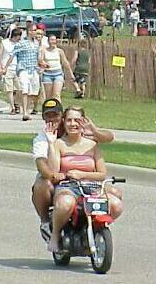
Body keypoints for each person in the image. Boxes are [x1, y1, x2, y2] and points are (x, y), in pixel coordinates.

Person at [31, 99, 115, 243]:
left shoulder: (80, 130)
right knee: (42, 184)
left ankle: (96, 227)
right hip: (60, 179)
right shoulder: (43, 138)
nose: (52, 119)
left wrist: (94, 131)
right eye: (48, 116)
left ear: (61, 116)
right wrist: (53, 176)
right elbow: (42, 164)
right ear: (44, 118)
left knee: (114, 194)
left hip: (86, 182)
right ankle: (47, 224)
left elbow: (109, 138)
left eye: (55, 115)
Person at [46, 106, 124, 252]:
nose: (73, 124)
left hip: (91, 185)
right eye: (69, 120)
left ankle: (96, 229)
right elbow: (54, 170)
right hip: (68, 186)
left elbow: (102, 174)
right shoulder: (59, 144)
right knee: (65, 203)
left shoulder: (92, 144)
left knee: (116, 204)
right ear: (64, 122)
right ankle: (55, 236)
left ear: (83, 122)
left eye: (77, 120)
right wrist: (51, 144)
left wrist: (82, 175)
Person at [3, 24, 40, 121]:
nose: (35, 32)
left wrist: (41, 65)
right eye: (33, 30)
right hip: (23, 69)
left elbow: (37, 57)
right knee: (25, 89)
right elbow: (12, 55)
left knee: (33, 91)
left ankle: (27, 110)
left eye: (35, 30)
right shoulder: (21, 43)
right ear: (29, 32)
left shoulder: (36, 43)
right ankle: (24, 113)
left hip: (34, 69)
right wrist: (5, 67)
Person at [38, 35, 75, 101]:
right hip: (47, 74)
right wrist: (44, 64)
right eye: (51, 40)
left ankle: (58, 110)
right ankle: (48, 110)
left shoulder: (60, 51)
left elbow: (65, 62)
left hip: (58, 74)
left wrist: (71, 74)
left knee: (56, 95)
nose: (53, 42)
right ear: (48, 41)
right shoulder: (44, 50)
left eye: (54, 40)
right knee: (48, 96)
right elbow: (40, 60)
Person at [0, 28, 22, 114]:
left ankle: (16, 103)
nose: (18, 39)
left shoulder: (20, 44)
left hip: (18, 68)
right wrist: (1, 67)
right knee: (9, 89)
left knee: (20, 88)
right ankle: (12, 107)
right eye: (17, 37)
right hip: (7, 68)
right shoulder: (5, 42)